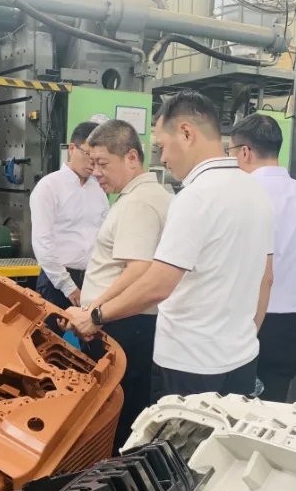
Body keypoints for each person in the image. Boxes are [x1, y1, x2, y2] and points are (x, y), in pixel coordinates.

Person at [69, 90, 276, 402]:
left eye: (162, 147)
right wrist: (245, 339)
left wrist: (95, 316)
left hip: (188, 365)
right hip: (241, 359)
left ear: (186, 133)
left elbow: (158, 285)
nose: (163, 159)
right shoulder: (256, 192)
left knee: (174, 436)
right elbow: (266, 277)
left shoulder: (195, 196)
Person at [69, 119, 173, 449]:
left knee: (117, 419)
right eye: (93, 163)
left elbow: (138, 269)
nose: (96, 172)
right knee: (129, 413)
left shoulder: (138, 202)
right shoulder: (149, 195)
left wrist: (95, 312)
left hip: (123, 326)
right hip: (129, 323)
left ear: (131, 157)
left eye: (103, 164)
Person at [229, 114, 296, 402]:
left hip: (240, 325)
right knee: (269, 417)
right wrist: (291, 265)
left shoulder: (237, 195)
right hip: (285, 332)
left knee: (227, 416)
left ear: (244, 152)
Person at [29, 122, 109, 310]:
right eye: (88, 154)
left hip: (92, 280)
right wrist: (68, 286)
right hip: (55, 282)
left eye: (98, 159)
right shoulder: (49, 187)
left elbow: (104, 236)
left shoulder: (99, 190)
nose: (92, 163)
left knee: (91, 330)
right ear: (72, 149)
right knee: (49, 329)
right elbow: (42, 243)